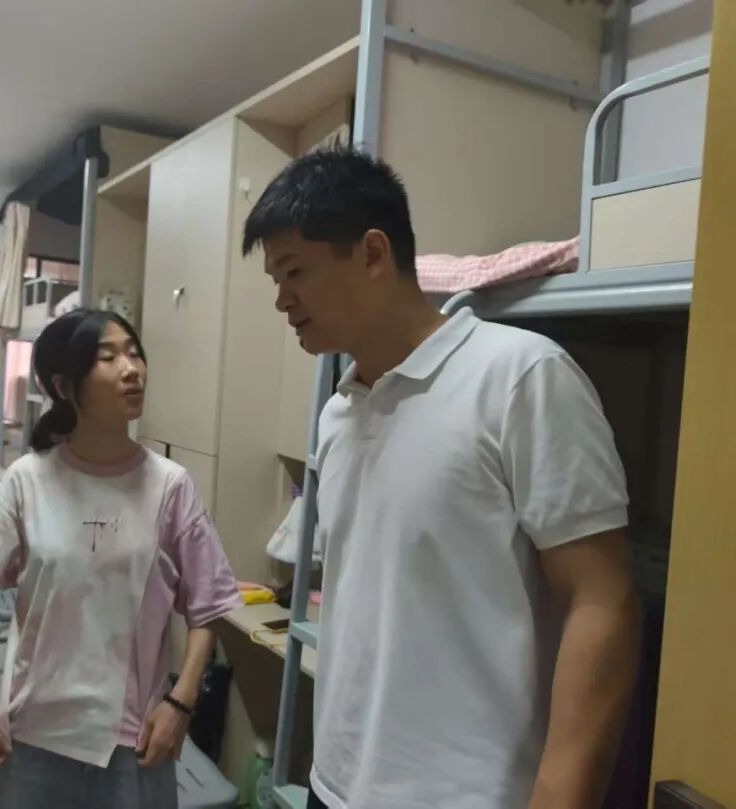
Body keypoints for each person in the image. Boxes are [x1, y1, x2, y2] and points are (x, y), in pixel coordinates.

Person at [242, 147, 640, 809]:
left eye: (295, 272)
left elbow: (601, 601)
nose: (282, 300)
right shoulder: (340, 412)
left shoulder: (520, 376)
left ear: (373, 253)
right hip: (334, 785)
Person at [0, 308, 242, 809]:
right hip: (30, 741)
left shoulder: (170, 486)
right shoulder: (27, 481)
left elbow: (209, 606)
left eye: (134, 353)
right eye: (108, 358)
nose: (132, 369)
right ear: (63, 385)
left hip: (135, 745)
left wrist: (181, 703)